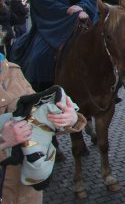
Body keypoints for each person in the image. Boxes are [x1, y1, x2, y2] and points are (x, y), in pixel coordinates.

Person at [0, 52, 87, 204]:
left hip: (28, 193)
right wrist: (3, 141)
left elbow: (38, 118)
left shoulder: (12, 70)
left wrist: (69, 119)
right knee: (37, 54)